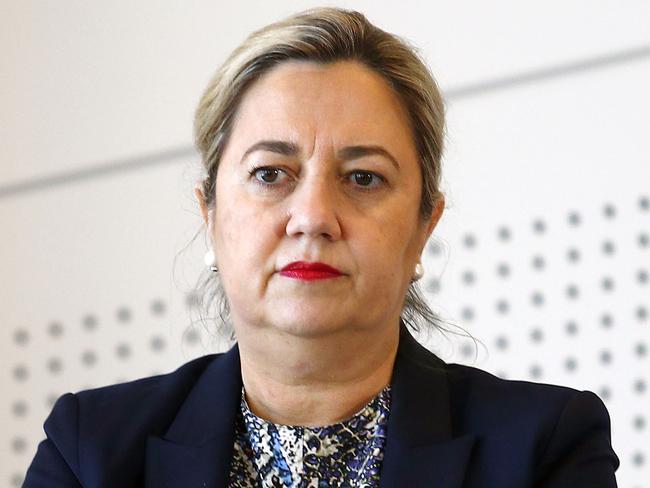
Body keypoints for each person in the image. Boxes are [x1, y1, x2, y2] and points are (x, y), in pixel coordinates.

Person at [23, 7, 619, 487]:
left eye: (363, 178)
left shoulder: (546, 448)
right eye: (270, 173)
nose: (312, 217)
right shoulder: (91, 450)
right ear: (210, 215)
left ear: (423, 228)